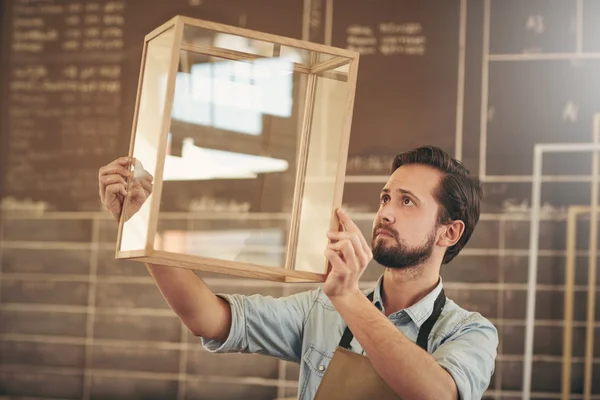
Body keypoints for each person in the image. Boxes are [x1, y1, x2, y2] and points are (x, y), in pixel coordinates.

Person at [98, 146, 498, 400]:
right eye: (386, 197)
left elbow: (437, 394)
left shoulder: (469, 332)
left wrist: (348, 296)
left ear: (450, 231)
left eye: (408, 202)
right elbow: (208, 318)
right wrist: (137, 222)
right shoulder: (320, 309)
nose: (386, 212)